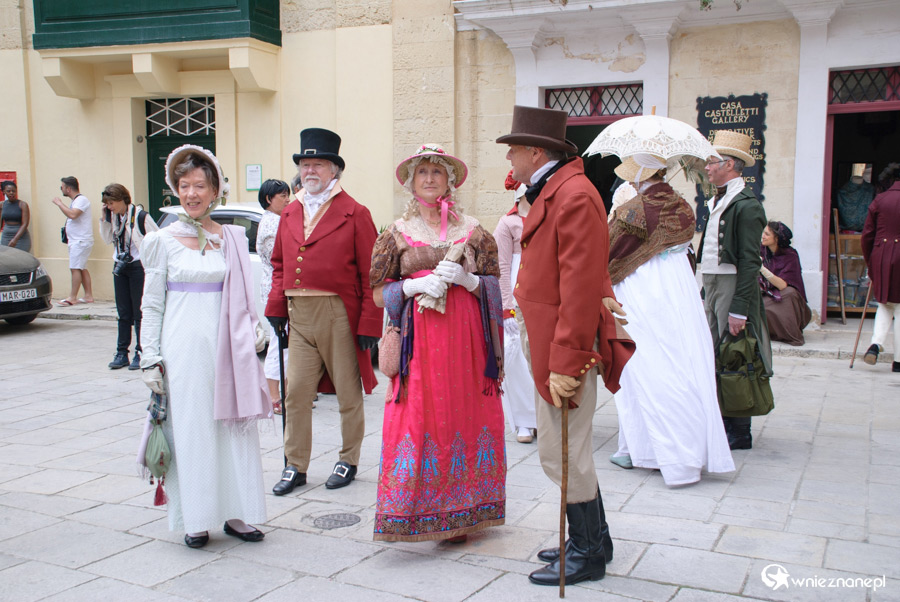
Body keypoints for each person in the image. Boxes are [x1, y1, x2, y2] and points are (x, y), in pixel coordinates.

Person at [497, 105, 634, 586]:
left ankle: (589, 554)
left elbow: (578, 285)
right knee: (565, 449)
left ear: (536, 152)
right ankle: (592, 539)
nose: (509, 159)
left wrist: (568, 361)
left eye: (513, 149)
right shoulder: (557, 190)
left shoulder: (573, 194)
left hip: (563, 343)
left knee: (562, 452)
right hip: (549, 336)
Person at [369, 144, 506, 543]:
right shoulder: (394, 234)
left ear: (450, 181)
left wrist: (471, 282)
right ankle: (413, 513)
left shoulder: (475, 231)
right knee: (418, 419)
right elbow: (379, 293)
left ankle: (464, 513)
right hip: (420, 346)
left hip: (467, 345)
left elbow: (497, 288)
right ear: (411, 183)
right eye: (422, 172)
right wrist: (411, 286)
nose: (429, 178)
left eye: (437, 172)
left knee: (465, 417)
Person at [140, 144, 269, 548]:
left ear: (215, 190)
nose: (192, 193)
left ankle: (237, 513)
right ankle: (196, 517)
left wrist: (257, 327)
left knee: (233, 428)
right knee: (192, 429)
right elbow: (152, 301)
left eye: (200, 185)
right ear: (175, 190)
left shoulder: (231, 237)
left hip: (229, 349)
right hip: (183, 349)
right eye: (184, 186)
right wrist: (149, 357)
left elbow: (246, 294)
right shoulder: (162, 240)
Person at [266, 128, 383, 494]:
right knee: (296, 392)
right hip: (298, 313)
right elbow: (280, 265)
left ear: (334, 170)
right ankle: (295, 465)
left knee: (348, 394)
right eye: (304, 164)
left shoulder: (355, 212)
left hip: (338, 314)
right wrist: (276, 307)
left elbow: (371, 275)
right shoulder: (290, 212)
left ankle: (348, 459)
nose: (309, 170)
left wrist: (370, 324)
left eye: (318, 164)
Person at [606, 155, 734, 486]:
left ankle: (677, 456)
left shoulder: (636, 209)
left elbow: (607, 250)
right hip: (678, 293)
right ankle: (643, 448)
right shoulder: (680, 204)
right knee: (680, 363)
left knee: (650, 370)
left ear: (639, 176)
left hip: (646, 293)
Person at [699, 130, 772, 451]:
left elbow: (749, 262)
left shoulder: (747, 206)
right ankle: (720, 417)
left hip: (731, 285)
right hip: (713, 283)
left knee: (735, 352)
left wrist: (739, 308)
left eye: (712, 162)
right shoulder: (719, 198)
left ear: (729, 165)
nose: (707, 167)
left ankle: (740, 429)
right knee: (713, 350)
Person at [494, 171, 537, 444]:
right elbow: (502, 267)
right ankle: (523, 420)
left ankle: (543, 416)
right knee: (517, 359)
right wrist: (507, 306)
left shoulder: (545, 218)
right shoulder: (507, 224)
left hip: (541, 290)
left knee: (538, 357)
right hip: (516, 292)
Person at [99, 183, 159, 370]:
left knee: (138, 312)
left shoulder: (140, 216)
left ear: (121, 199)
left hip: (138, 267)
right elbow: (108, 239)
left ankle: (140, 351)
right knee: (123, 312)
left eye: (111, 203)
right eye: (107, 204)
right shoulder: (113, 218)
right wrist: (104, 219)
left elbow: (157, 239)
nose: (109, 207)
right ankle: (121, 352)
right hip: (121, 266)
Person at [256, 178, 292, 414]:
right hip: (276, 292)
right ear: (269, 200)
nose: (287, 199)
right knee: (279, 343)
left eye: (288, 194)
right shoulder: (271, 225)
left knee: (287, 344)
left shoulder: (279, 221)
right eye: (282, 196)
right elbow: (278, 260)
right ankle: (274, 395)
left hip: (281, 290)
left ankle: (287, 393)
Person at [861, 175, 900, 372]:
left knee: (886, 303)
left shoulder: (880, 199)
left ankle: (875, 345)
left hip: (881, 256)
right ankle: (899, 361)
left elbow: (867, 234)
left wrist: (871, 262)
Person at [759, 221, 811, 346]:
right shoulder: (761, 250)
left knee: (790, 293)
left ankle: (789, 332)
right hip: (763, 292)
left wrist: (761, 267)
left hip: (782, 297)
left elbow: (783, 285)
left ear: (777, 238)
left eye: (767, 234)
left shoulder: (790, 255)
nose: (763, 236)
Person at [52, 177, 94, 305]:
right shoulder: (77, 200)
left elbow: (73, 214)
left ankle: (72, 297)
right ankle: (88, 296)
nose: (61, 189)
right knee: (81, 268)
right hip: (77, 240)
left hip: (80, 241)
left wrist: (59, 203)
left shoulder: (81, 200)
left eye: (62, 187)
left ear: (68, 188)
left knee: (75, 268)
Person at [1, 182, 31, 253]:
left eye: (13, 191)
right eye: (8, 191)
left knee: (21, 260)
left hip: (21, 238)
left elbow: (25, 224)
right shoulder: (2, 205)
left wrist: (15, 239)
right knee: (7, 259)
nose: (11, 193)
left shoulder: (22, 204)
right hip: (6, 237)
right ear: (4, 192)